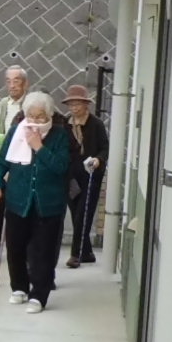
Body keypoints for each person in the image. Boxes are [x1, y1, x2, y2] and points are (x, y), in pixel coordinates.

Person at [0, 91, 71, 314]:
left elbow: (61, 167)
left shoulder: (60, 135)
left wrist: (39, 147)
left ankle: (39, 295)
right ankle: (19, 287)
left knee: (42, 252)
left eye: (40, 116)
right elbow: (1, 162)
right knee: (15, 246)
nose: (34, 121)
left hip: (49, 203)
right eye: (31, 116)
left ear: (50, 115)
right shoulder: (16, 132)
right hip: (18, 199)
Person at [62, 84, 111, 269]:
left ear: (86, 105)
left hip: (91, 176)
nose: (74, 108)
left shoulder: (96, 124)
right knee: (76, 213)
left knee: (84, 214)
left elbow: (105, 147)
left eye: (78, 104)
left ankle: (75, 254)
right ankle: (87, 252)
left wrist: (98, 159)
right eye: (71, 104)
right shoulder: (65, 124)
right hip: (71, 176)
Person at [0, 66, 29, 136]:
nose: (12, 86)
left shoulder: (31, 103)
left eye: (16, 81)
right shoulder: (3, 104)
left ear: (25, 83)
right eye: (8, 81)